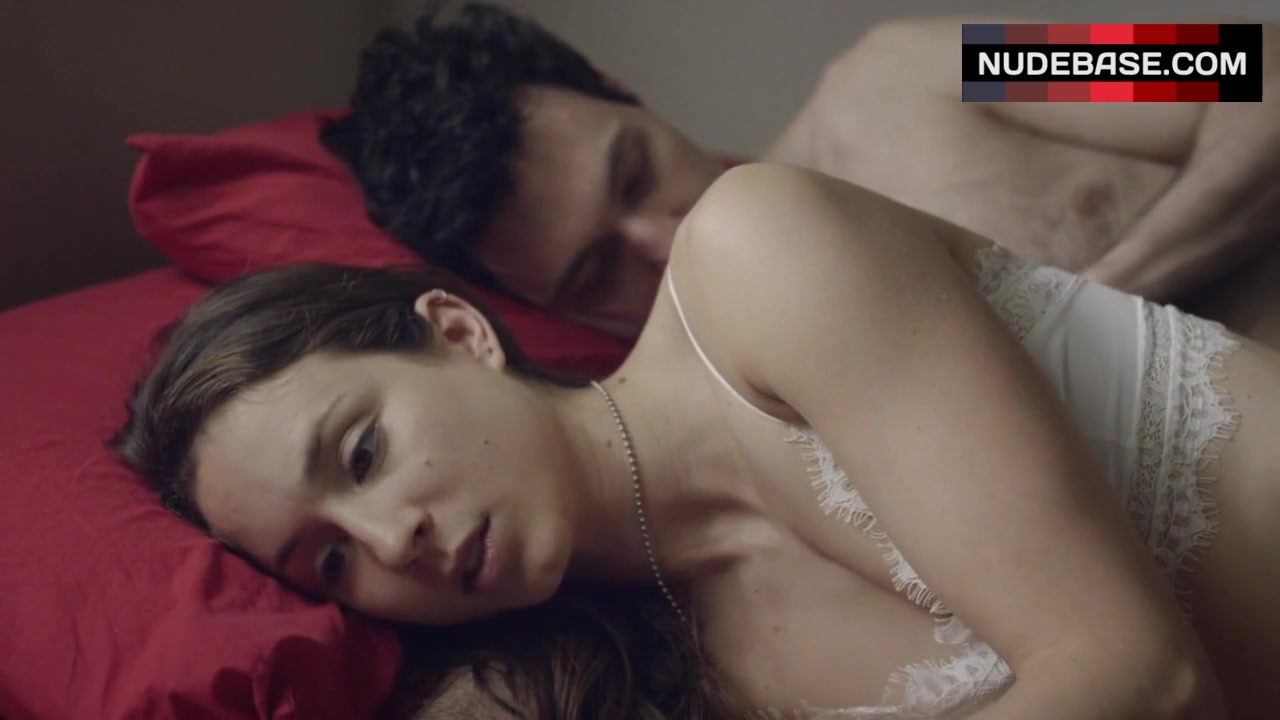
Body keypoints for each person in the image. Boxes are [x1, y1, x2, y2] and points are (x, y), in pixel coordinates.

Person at [114, 163, 1280, 718]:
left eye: (628, 164)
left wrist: (1127, 258)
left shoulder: (896, 86)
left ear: (462, 331)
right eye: (330, 561)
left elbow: (1236, 57)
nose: (389, 543)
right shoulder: (646, 674)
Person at [321, 3, 1280, 345]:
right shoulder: (746, 421)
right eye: (594, 270)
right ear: (547, 309)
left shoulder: (911, 66)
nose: (666, 238)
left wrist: (1093, 303)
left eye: (634, 174)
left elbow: (1253, 64)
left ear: (621, 92)